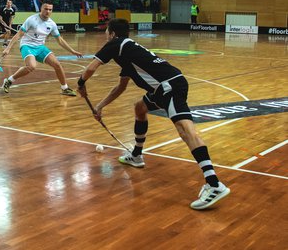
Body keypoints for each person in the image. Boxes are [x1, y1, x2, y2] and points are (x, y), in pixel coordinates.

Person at [76, 18, 230, 210]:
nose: (106, 35)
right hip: (162, 89)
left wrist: (81, 83)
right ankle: (137, 155)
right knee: (140, 108)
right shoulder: (127, 52)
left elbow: (91, 68)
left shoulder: (115, 44)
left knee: (186, 130)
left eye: (107, 31)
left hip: (169, 87)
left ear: (112, 33)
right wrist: (100, 106)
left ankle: (214, 183)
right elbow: (120, 87)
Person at [1, 1, 81, 96]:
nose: (48, 11)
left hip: (40, 47)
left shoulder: (52, 24)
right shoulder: (32, 19)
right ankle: (9, 81)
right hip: (27, 45)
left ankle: (65, 88)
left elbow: (59, 40)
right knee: (31, 66)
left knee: (57, 65)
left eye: (50, 9)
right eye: (46, 9)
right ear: (41, 9)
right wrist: (8, 48)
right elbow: (19, 34)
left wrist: (72, 51)